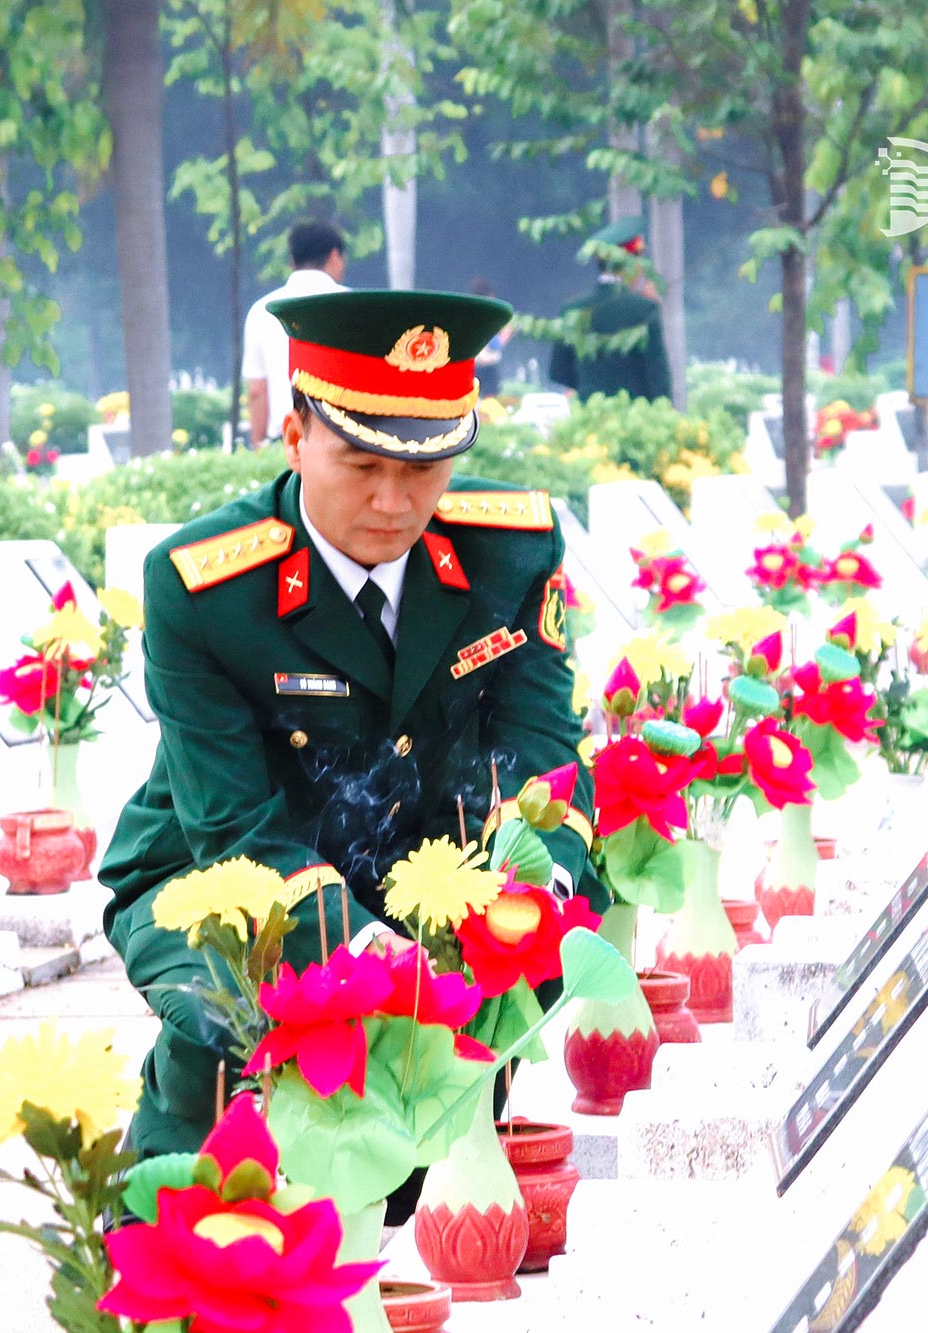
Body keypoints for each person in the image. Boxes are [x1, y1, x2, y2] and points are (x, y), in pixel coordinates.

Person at [101, 288, 606, 1164]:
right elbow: (234, 831)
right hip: (221, 880)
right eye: (361, 465)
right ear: (296, 439)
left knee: (426, 1150)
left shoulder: (511, 548)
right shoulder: (205, 588)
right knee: (240, 1059)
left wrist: (526, 903)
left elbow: (542, 757)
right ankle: (169, 1185)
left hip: (425, 872)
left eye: (422, 468)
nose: (393, 500)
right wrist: (380, 958)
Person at [242, 220, 347, 447]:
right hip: (342, 441)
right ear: (334, 256)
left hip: (284, 441)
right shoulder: (353, 306)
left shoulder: (262, 310)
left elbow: (256, 390)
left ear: (292, 261)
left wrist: (258, 447)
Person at [547, 217, 673, 402]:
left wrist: (588, 386)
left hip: (589, 417)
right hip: (637, 420)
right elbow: (658, 378)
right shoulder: (645, 309)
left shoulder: (571, 310)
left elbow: (557, 371)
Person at [469, 277, 513, 398]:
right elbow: (495, 345)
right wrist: (506, 334)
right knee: (490, 401)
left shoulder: (470, 315)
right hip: (486, 368)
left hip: (472, 367)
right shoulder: (486, 317)